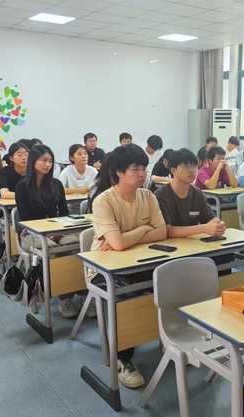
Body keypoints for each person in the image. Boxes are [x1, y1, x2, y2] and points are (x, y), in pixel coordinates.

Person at [90, 144, 167, 389]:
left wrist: (129, 237)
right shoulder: (103, 201)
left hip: (139, 260)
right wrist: (144, 229)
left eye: (144, 168)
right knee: (126, 295)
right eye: (135, 169)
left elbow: (162, 232)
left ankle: (169, 337)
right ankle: (123, 359)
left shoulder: (148, 196)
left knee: (170, 279)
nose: (142, 174)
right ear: (119, 172)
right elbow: (117, 244)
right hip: (103, 269)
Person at [15, 145, 81, 319]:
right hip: (31, 234)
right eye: (43, 160)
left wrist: (57, 231)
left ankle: (80, 290)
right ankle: (65, 298)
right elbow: (25, 219)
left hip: (57, 230)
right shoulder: (22, 187)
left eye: (50, 161)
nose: (48, 164)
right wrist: (46, 233)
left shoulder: (56, 184)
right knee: (52, 252)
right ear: (33, 162)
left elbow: (64, 212)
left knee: (75, 246)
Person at [155, 148, 225, 239]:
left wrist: (218, 225)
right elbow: (167, 230)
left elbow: (210, 219)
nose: (191, 170)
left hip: (192, 243)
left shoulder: (197, 193)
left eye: (194, 165)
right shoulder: (161, 195)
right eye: (185, 166)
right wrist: (203, 228)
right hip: (170, 244)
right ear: (173, 170)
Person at [58, 144, 97, 213]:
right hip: (71, 210)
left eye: (85, 153)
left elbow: (101, 186)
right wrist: (79, 190)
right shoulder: (67, 171)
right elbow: (59, 190)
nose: (84, 156)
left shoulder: (92, 171)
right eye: (79, 154)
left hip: (90, 208)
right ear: (71, 158)